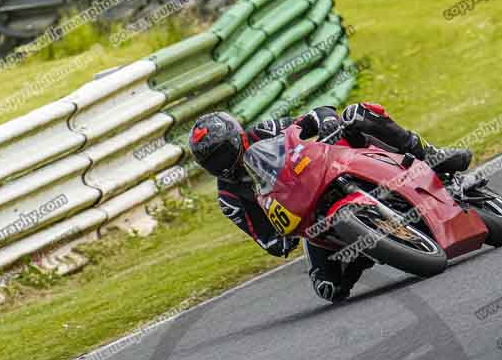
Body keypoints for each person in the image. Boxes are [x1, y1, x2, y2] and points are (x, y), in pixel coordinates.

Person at [188, 103, 482, 303]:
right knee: (329, 289)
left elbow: (312, 118)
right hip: (310, 216)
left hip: (324, 167)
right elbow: (268, 241)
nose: (221, 163)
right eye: (212, 161)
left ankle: (431, 155)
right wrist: (281, 237)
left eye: (223, 151)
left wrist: (327, 122)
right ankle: (371, 244)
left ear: (237, 137)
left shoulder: (262, 132)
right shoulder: (230, 199)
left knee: (355, 114)